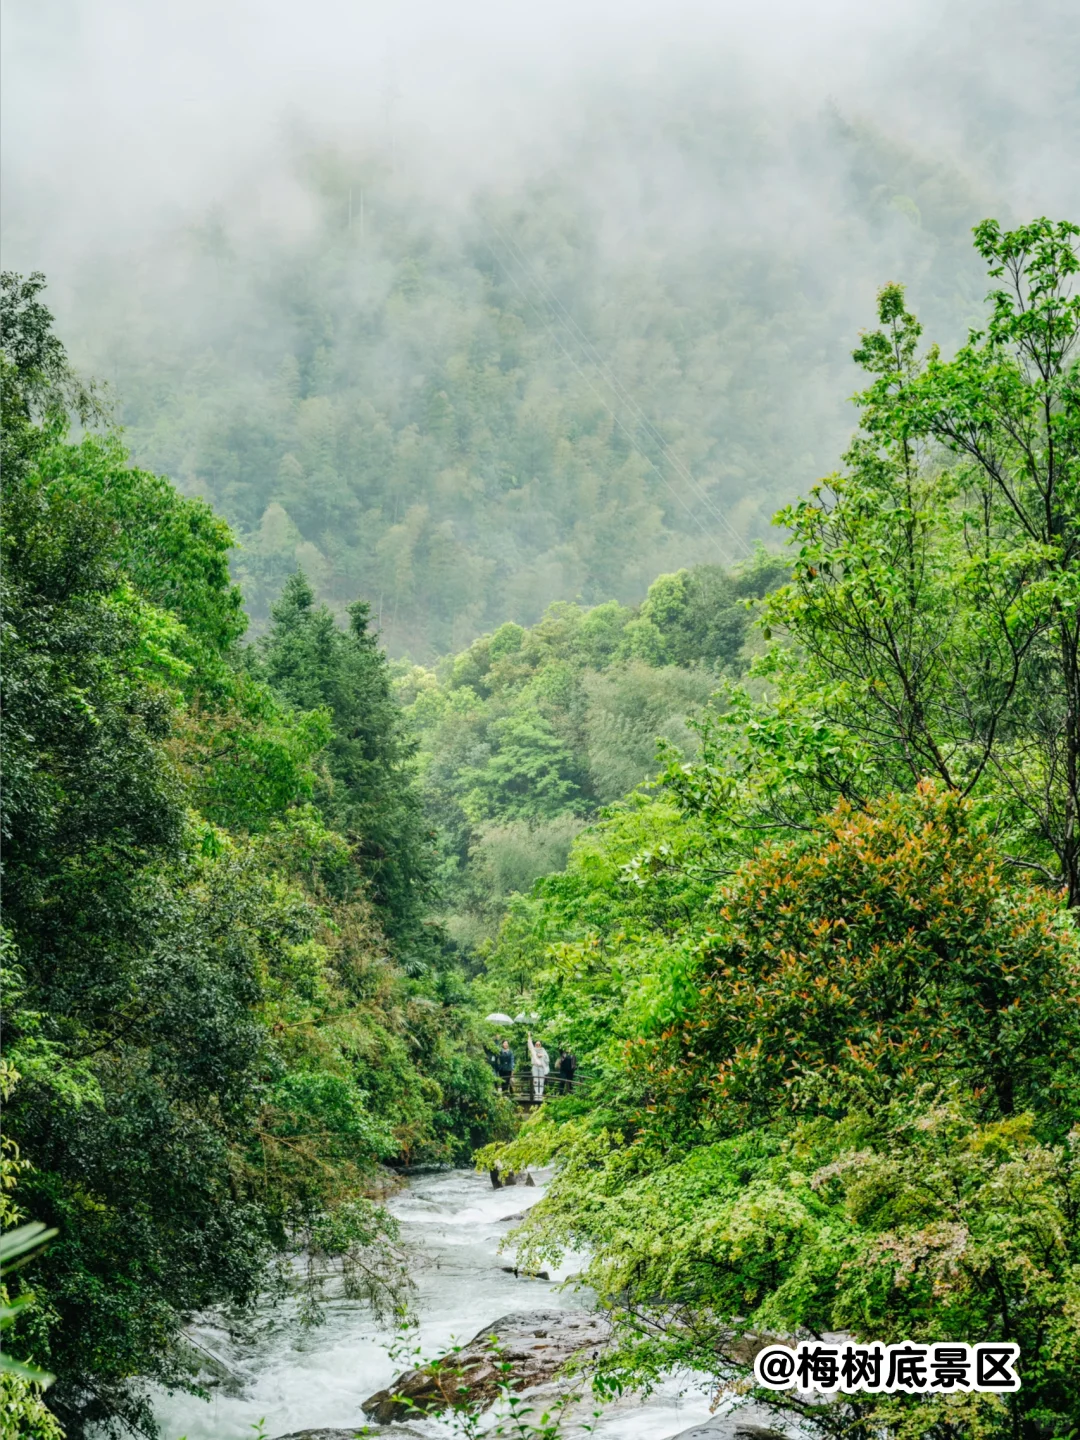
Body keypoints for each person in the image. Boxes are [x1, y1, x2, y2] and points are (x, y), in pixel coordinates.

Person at [527, 1033, 550, 1102]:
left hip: (541, 1067)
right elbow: (529, 1045)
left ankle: (540, 1094)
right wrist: (529, 1036)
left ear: (541, 1045)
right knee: (536, 1080)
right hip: (535, 1067)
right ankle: (537, 1093)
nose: (537, 1045)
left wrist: (542, 1055)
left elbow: (547, 1060)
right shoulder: (533, 1050)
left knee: (541, 1081)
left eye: (539, 1044)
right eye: (536, 1044)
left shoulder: (543, 1050)